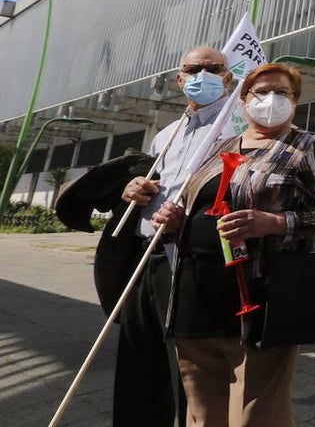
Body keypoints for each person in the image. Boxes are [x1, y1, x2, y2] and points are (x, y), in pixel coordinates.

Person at [152, 62, 315, 426]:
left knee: (256, 414)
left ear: (296, 101)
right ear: (243, 101)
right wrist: (176, 222)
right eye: (262, 92)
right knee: (202, 412)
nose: (271, 99)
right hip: (196, 296)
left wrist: (273, 222)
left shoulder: (308, 146)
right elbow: (201, 205)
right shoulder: (220, 147)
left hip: (260, 296)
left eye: (282, 92)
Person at [115, 46, 234, 426]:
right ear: (180, 79)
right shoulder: (166, 134)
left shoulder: (237, 130)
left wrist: (192, 220)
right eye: (192, 69)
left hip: (188, 260)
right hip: (145, 256)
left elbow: (239, 194)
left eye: (212, 68)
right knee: (138, 358)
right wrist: (134, 189)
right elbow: (154, 185)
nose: (202, 75)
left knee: (186, 366)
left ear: (227, 78)